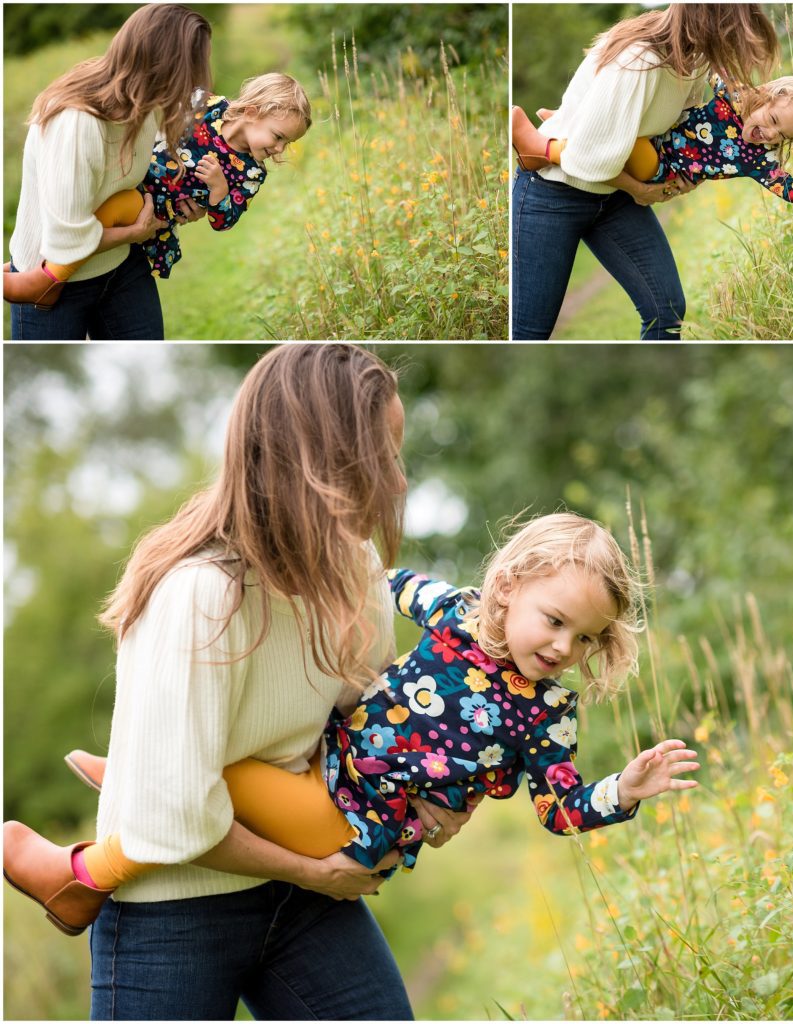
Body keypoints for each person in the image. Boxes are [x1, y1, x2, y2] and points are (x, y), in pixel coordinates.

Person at [2, 344, 472, 1020]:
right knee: (176, 805)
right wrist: (313, 870)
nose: (398, 484)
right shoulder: (200, 596)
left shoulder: (358, 571)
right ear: (320, 464)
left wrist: (430, 796)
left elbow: (362, 732)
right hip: (173, 906)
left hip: (299, 903)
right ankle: (135, 805)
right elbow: (189, 825)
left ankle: (147, 782)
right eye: (382, 457)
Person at [10, 514, 700, 921]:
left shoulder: (547, 713)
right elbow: (383, 583)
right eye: (554, 621)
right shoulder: (454, 612)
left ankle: (81, 876)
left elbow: (559, 809)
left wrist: (623, 792)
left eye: (584, 639)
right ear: (509, 589)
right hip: (324, 758)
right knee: (206, 760)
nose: (561, 648)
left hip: (354, 824)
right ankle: (143, 789)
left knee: (200, 778)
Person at [511, 2, 780, 341]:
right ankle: (541, 147)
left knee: (665, 311)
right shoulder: (641, 61)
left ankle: (562, 129)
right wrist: (640, 190)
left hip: (611, 195)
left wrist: (690, 174)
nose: (736, 52)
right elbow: (591, 162)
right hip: (554, 192)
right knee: (529, 332)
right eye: (735, 38)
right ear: (712, 24)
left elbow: (676, 130)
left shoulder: (692, 62)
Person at [4, 73, 311, 308]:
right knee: (82, 202)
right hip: (129, 175)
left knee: (113, 210)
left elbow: (225, 221)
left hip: (149, 205)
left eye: (288, 143)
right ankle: (26, 263)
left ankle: (47, 281)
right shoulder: (212, 107)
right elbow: (166, 114)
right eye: (278, 136)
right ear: (253, 112)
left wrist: (218, 190)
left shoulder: (251, 172)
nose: (280, 148)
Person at [5, 4, 212, 340]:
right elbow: (66, 241)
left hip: (120, 265)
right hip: (51, 280)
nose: (196, 80)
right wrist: (135, 233)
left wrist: (191, 201)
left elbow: (159, 168)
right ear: (167, 66)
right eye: (193, 67)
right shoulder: (78, 122)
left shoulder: (143, 106)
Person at [513, 73, 793, 204]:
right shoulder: (735, 96)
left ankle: (544, 148)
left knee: (626, 140)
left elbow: (792, 191)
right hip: (657, 132)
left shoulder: (759, 160)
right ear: (764, 96)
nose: (770, 134)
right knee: (631, 108)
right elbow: (711, 63)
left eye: (781, 135)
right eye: (772, 119)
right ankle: (569, 123)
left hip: (661, 169)